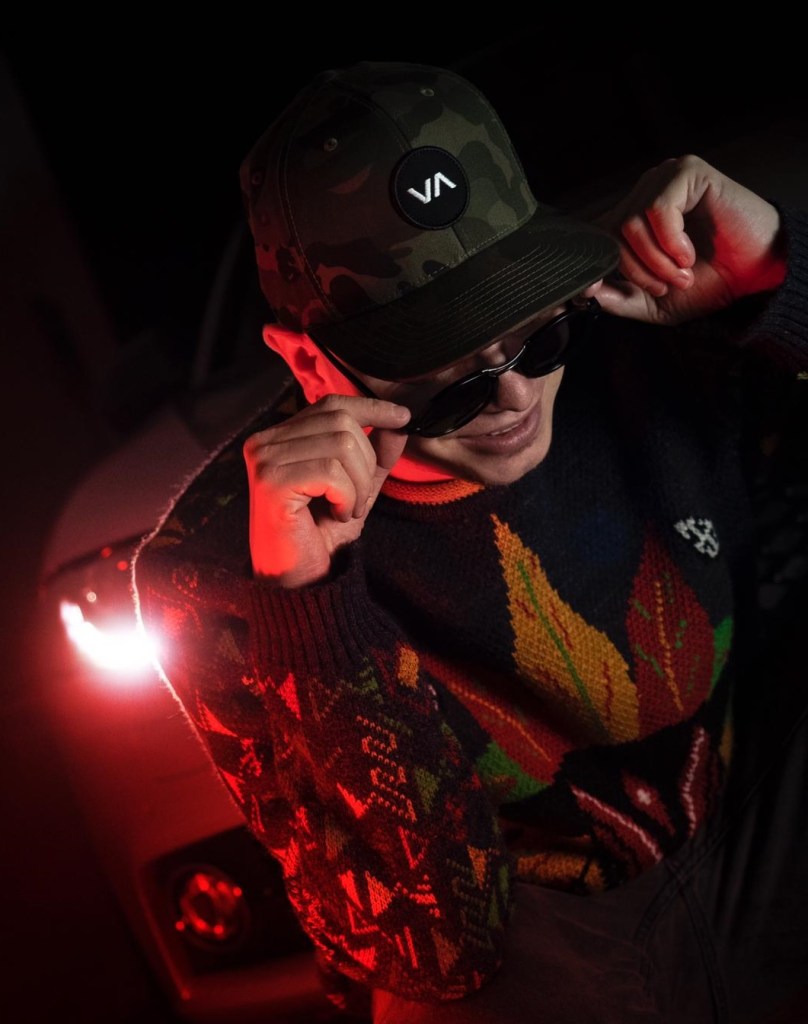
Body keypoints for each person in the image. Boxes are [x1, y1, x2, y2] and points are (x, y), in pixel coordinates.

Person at [132, 60, 808, 1023]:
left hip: (764, 828)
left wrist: (785, 281)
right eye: (448, 381)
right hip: (543, 943)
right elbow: (431, 949)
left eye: (536, 335)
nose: (514, 396)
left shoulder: (657, 331)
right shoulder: (215, 566)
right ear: (309, 364)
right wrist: (311, 611)